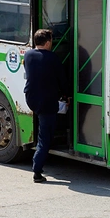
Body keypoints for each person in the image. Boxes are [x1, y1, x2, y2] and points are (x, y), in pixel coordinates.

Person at [23, 29, 68, 183]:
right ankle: (37, 171)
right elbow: (62, 80)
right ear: (48, 42)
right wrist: (67, 95)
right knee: (45, 137)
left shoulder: (28, 55)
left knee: (44, 126)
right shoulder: (52, 57)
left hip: (31, 98)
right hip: (47, 102)